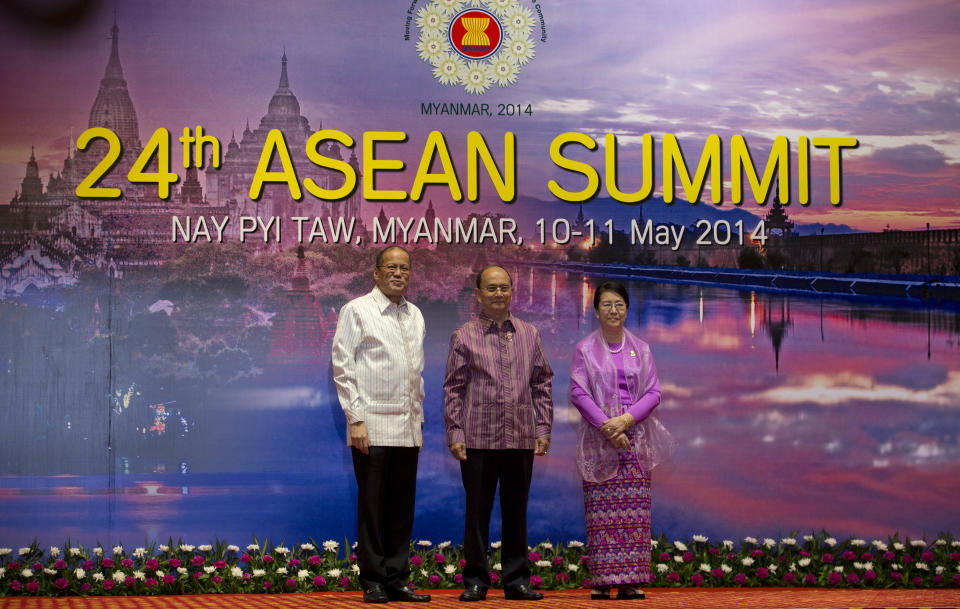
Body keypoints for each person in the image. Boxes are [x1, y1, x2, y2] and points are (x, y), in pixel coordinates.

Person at [443, 265, 554, 602]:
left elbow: (542, 383)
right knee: (477, 513)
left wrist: (544, 427)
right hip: (477, 438)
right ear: (478, 294)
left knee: (516, 510)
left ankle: (517, 579)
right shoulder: (464, 335)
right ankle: (476, 580)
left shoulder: (530, 334)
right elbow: (453, 389)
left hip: (521, 436)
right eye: (491, 288)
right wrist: (455, 432)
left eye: (504, 287)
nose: (498, 294)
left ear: (511, 291)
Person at [331, 246, 431, 604]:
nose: (398, 273)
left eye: (404, 268)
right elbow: (343, 368)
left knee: (402, 508)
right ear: (376, 273)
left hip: (407, 428)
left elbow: (415, 375)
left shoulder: (416, 314)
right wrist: (354, 419)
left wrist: (418, 423)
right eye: (391, 267)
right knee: (372, 506)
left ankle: (398, 579)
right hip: (370, 426)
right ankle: (373, 580)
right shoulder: (356, 310)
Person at [569, 282, 675, 601]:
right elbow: (578, 392)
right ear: (596, 310)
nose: (613, 310)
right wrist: (607, 426)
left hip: (636, 440)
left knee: (635, 513)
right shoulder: (584, 349)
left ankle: (630, 581)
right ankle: (602, 581)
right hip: (600, 440)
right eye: (607, 304)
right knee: (601, 512)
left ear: (627, 309)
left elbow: (654, 392)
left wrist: (626, 421)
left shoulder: (641, 348)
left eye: (619, 304)